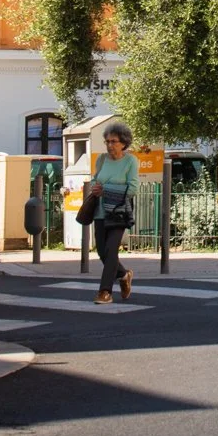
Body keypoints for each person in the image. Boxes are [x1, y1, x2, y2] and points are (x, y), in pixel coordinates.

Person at [91, 123, 140, 305]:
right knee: (103, 252)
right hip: (100, 211)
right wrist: (94, 186)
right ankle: (123, 274)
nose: (110, 145)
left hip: (119, 212)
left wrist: (107, 190)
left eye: (114, 141)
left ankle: (105, 291)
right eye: (107, 141)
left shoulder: (130, 161)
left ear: (123, 143)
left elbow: (133, 188)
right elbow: (96, 179)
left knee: (112, 250)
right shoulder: (102, 159)